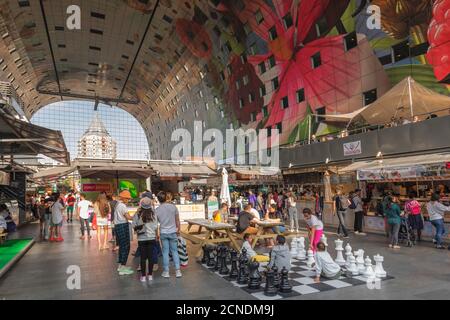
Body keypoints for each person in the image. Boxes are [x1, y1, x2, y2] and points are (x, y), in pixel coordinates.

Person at [155, 191, 182, 278]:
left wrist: (156, 234)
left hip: (163, 232)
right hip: (173, 232)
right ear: (166, 197)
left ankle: (166, 272)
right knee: (175, 251)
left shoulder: (157, 210)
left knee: (165, 252)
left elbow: (156, 224)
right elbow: (177, 220)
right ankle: (178, 271)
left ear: (158, 199)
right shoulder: (173, 207)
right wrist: (178, 229)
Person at [132, 197, 159, 282]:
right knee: (151, 257)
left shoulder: (138, 213)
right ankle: (150, 275)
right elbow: (155, 226)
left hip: (141, 239)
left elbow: (133, 225)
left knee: (143, 258)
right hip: (151, 238)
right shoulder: (153, 213)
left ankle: (143, 276)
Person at [114, 190, 134, 275]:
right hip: (122, 225)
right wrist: (136, 216)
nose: (128, 200)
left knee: (122, 246)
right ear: (124, 198)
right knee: (126, 246)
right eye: (127, 198)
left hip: (118, 226)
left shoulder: (118, 204)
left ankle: (121, 266)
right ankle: (122, 267)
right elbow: (128, 217)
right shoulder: (122, 206)